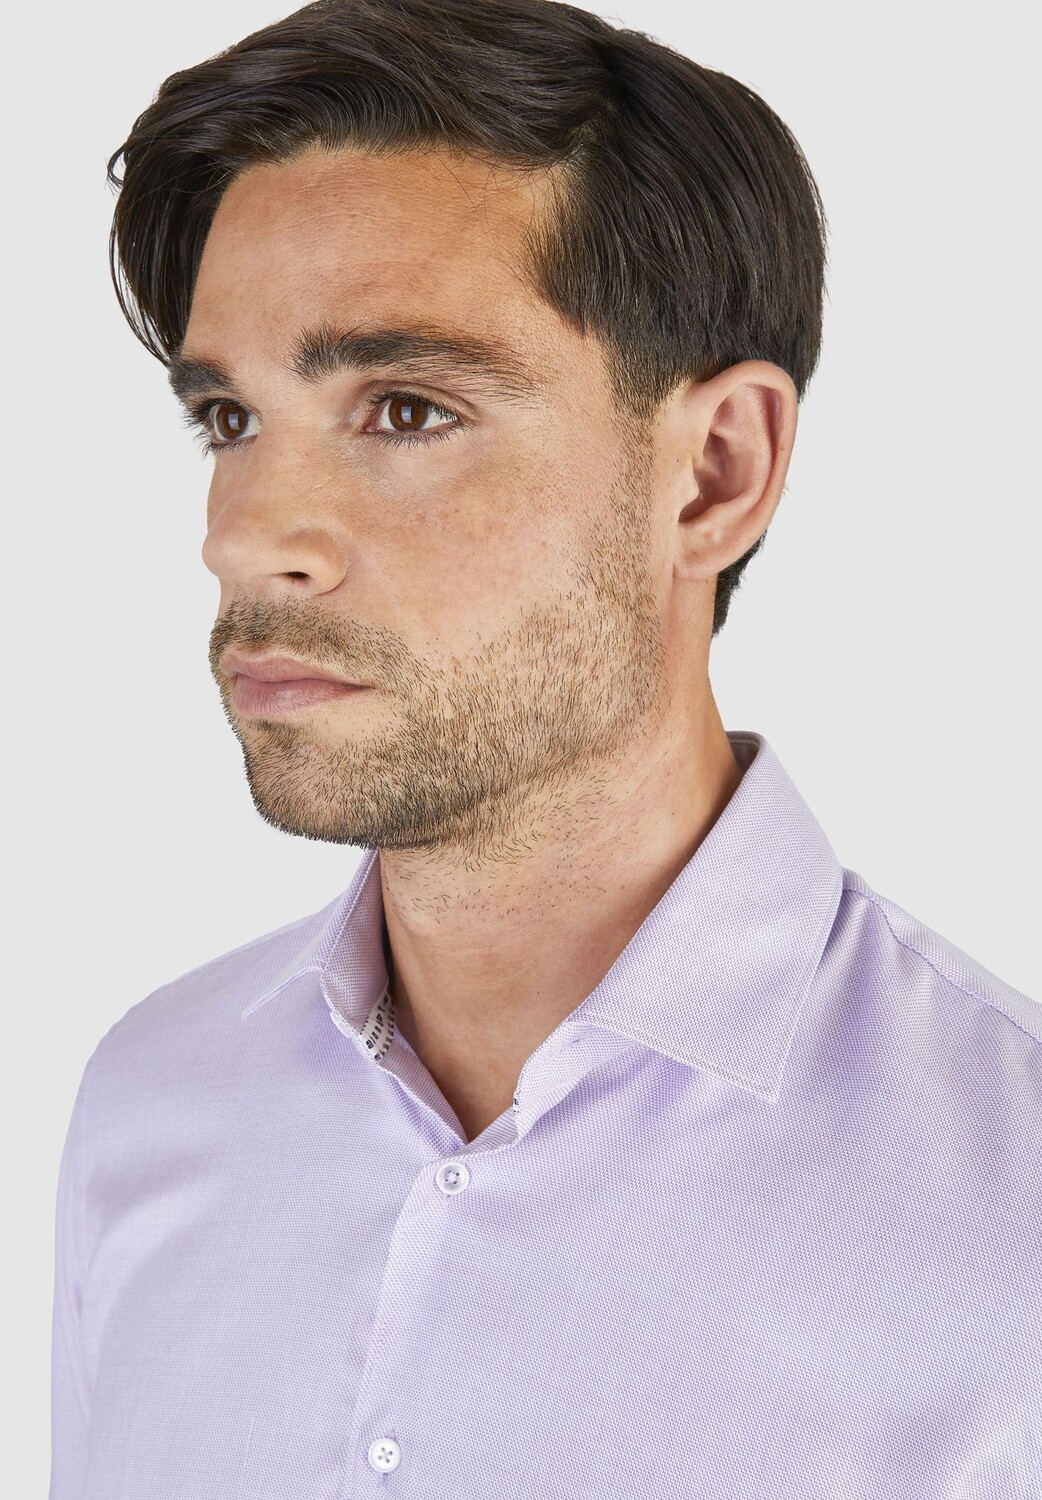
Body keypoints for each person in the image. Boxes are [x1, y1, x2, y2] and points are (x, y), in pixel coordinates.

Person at [50, 0, 1041, 1495]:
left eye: (403, 409)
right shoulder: (152, 1102)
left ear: (713, 475)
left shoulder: (1009, 1211)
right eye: (229, 418)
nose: (244, 539)